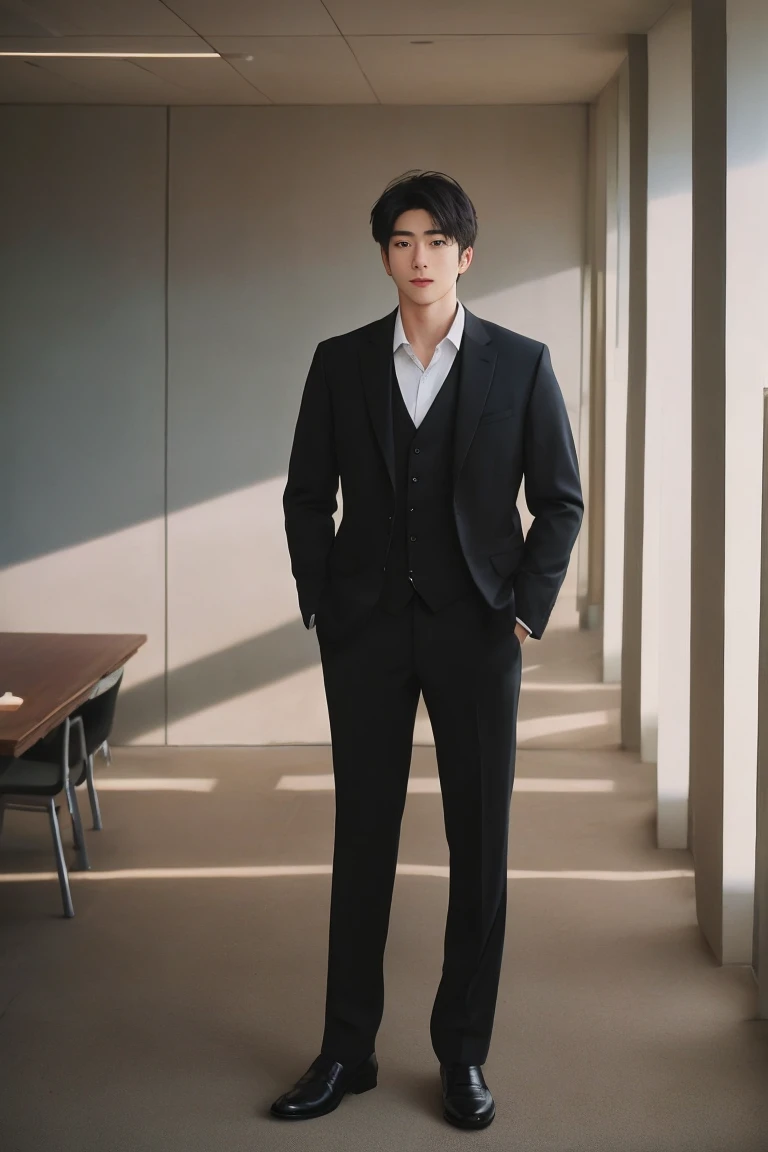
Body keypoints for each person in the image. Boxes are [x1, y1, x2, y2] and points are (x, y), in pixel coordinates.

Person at [272, 170, 583, 1129]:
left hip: (478, 630)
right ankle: (345, 1049)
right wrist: (323, 601)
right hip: (367, 633)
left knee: (477, 849)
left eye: (437, 242)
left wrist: (524, 609)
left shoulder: (520, 364)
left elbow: (560, 500)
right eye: (403, 240)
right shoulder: (340, 362)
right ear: (384, 255)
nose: (420, 257)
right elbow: (303, 496)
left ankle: (462, 1056)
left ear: (465, 254)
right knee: (360, 843)